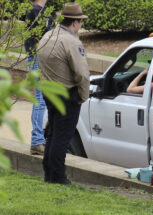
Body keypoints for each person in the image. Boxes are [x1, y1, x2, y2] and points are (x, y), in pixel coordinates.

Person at [37, 2, 90, 185]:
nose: (80, 26)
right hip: (67, 94)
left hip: (49, 91)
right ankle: (59, 177)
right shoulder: (72, 42)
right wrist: (82, 96)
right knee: (62, 137)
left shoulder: (47, 36)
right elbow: (82, 74)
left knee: (52, 133)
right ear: (75, 23)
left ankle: (49, 173)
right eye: (80, 23)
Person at [25, 0, 55, 155]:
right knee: (40, 99)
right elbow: (43, 38)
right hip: (37, 59)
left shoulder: (46, 12)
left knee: (45, 99)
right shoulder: (34, 12)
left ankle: (41, 139)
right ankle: (37, 141)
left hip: (45, 59)